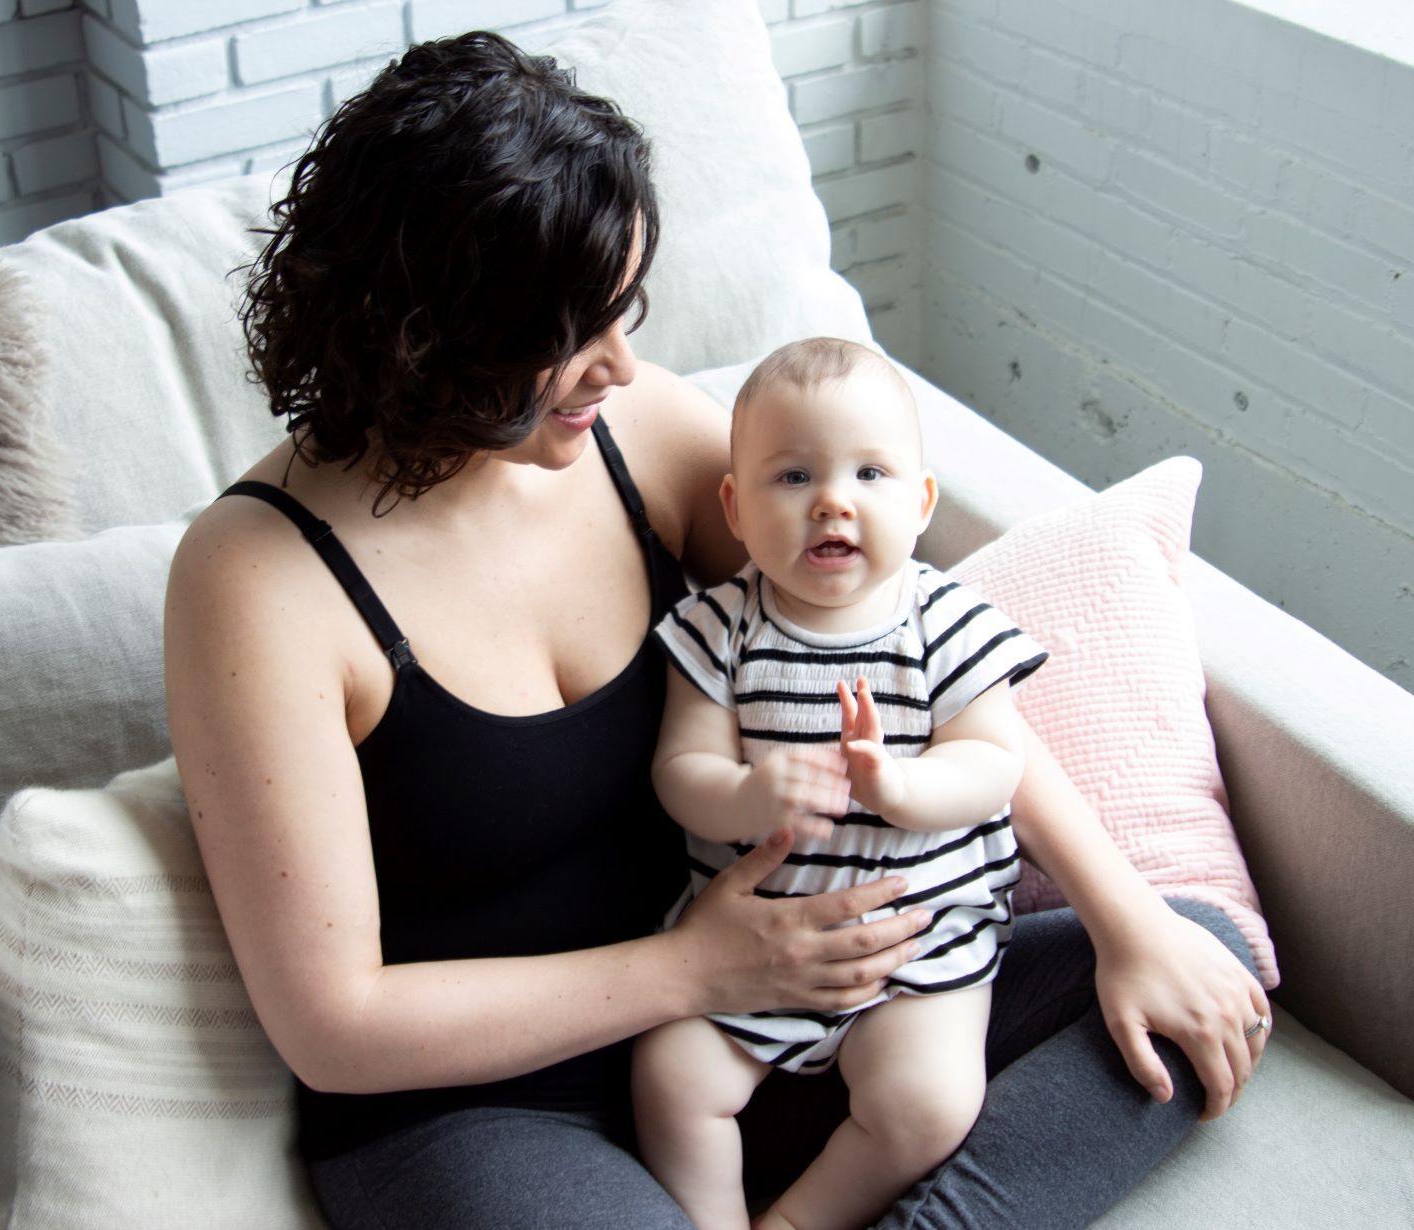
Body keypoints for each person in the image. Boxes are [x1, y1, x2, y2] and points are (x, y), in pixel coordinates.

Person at [161, 30, 1272, 1230]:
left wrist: (1127, 919)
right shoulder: (257, 581)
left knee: (1201, 962)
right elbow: (334, 1028)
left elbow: (928, 669)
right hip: (489, 1104)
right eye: (571, 335)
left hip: (762, 1021)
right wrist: (690, 968)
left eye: (621, 308)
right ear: (425, 339)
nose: (621, 364)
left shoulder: (636, 439)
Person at [635, 338, 1046, 1230]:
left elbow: (992, 764)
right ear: (734, 509)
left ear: (921, 500)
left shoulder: (945, 620)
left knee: (928, 1104)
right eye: (792, 478)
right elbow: (679, 771)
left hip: (914, 949)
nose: (832, 499)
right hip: (750, 944)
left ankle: (796, 1221)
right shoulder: (717, 630)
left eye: (870, 473)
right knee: (669, 1076)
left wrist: (899, 788)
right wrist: (743, 795)